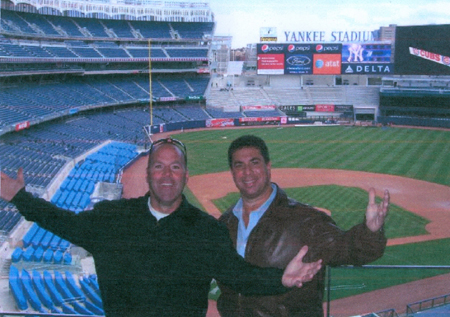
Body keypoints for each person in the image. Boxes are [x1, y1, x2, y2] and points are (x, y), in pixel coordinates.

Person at [0, 137, 322, 317]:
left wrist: (280, 277)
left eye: (175, 167)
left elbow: (239, 275)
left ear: (185, 176)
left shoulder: (205, 230)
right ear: (147, 174)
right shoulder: (111, 217)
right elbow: (63, 222)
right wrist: (21, 197)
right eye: (158, 167)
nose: (167, 175)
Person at [217, 135, 390, 317]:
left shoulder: (305, 220)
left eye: (254, 162)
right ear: (232, 172)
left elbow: (348, 249)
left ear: (268, 166)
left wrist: (370, 231)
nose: (247, 172)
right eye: (239, 165)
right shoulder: (224, 224)